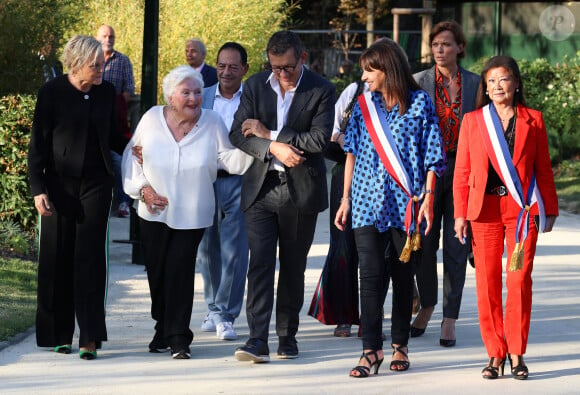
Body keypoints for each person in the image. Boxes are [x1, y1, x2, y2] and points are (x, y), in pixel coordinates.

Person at [121, 65, 252, 359]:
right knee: (157, 272)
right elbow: (132, 156)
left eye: (196, 92)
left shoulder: (212, 121)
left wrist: (258, 147)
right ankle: (162, 327)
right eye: (186, 93)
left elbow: (229, 159)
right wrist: (143, 189)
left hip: (192, 212)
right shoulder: (152, 118)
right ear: (171, 97)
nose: (193, 98)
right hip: (153, 211)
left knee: (180, 271)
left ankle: (179, 337)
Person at [334, 38, 445, 378]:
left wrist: (427, 197)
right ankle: (371, 350)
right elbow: (350, 151)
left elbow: (433, 156)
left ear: (388, 68)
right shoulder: (363, 105)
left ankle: (400, 344)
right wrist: (345, 198)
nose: (364, 77)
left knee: (401, 276)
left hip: (406, 206)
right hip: (366, 205)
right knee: (368, 275)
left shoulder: (420, 104)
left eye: (370, 70)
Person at [229, 30, 335, 363]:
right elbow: (237, 133)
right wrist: (271, 146)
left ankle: (287, 336)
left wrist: (270, 133)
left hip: (299, 191)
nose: (282, 74)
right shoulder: (256, 85)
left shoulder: (321, 88)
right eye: (276, 67)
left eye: (287, 67)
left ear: (301, 58)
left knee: (292, 266)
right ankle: (256, 339)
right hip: (260, 187)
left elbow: (319, 141)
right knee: (259, 264)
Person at [453, 55, 558, 380]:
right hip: (483, 213)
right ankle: (494, 354)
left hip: (522, 213)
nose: (498, 86)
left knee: (518, 280)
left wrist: (549, 208)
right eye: (492, 81)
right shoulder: (473, 120)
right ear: (485, 86)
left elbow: (542, 167)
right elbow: (462, 170)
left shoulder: (533, 120)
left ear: (516, 83)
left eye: (504, 79)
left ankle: (516, 352)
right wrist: (459, 214)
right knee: (486, 284)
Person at [28, 35, 127, 360]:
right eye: (94, 65)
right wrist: (38, 188)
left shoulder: (106, 93)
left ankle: (89, 337)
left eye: (101, 64)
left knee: (90, 259)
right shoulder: (52, 92)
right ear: (76, 63)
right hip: (57, 186)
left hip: (96, 185)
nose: (101, 70)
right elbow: (38, 145)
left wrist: (136, 148)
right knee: (58, 258)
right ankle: (59, 334)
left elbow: (114, 136)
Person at [411, 20, 480, 347]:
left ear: (460, 48)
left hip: (464, 171)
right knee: (423, 244)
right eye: (436, 44)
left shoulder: (476, 84)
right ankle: (427, 304)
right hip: (427, 173)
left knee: (456, 246)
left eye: (447, 44)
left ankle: (449, 318)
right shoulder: (417, 82)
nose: (440, 50)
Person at [196, 42, 250, 341]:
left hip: (240, 180)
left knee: (234, 249)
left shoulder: (253, 100)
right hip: (204, 180)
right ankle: (213, 307)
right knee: (207, 249)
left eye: (233, 66)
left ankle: (226, 314)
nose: (226, 71)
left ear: (244, 68)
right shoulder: (201, 97)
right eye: (221, 65)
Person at [308, 80, 368, 337]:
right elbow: (329, 132)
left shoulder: (404, 95)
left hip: (386, 177)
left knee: (377, 251)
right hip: (347, 171)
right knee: (343, 244)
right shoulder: (354, 91)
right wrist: (343, 137)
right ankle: (343, 315)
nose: (367, 75)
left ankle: (371, 317)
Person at [96, 24, 135, 218]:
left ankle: (124, 202)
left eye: (111, 36)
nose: (108, 39)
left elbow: (130, 90)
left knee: (121, 161)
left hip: (114, 119)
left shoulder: (122, 61)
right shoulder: (92, 60)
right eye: (104, 35)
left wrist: (111, 102)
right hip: (94, 122)